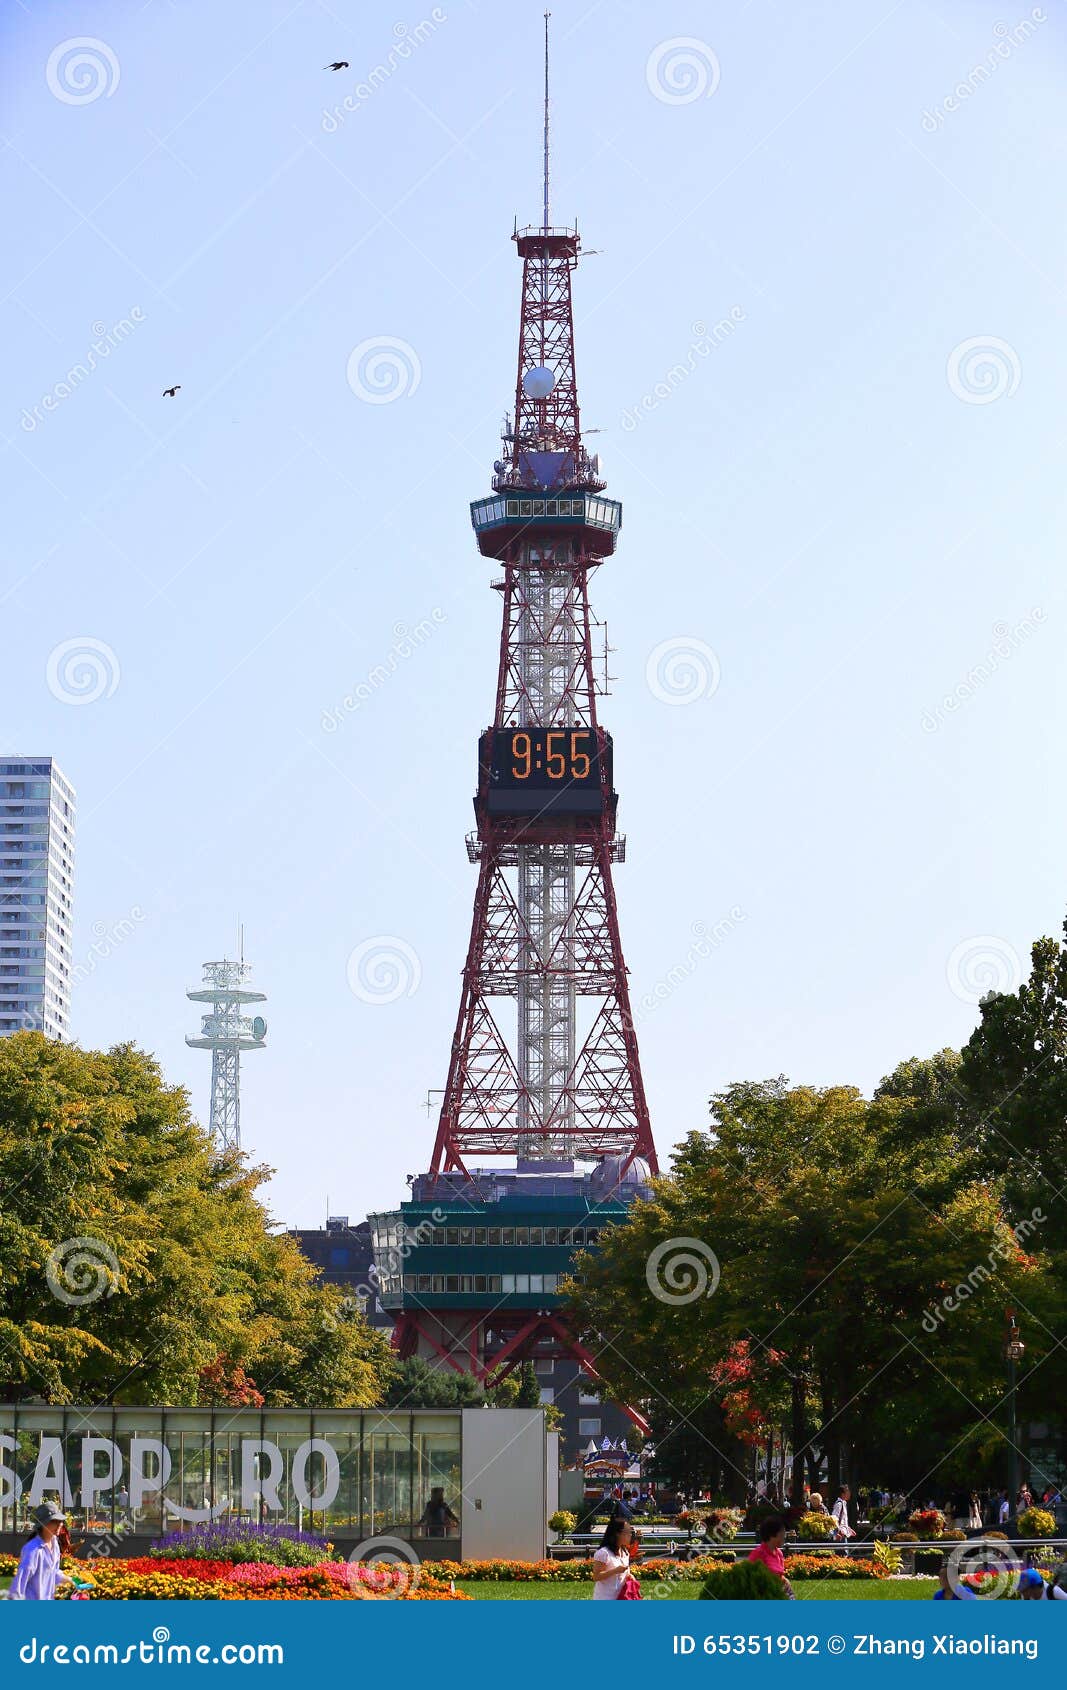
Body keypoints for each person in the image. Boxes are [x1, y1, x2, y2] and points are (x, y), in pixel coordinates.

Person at [8, 1503, 72, 1601]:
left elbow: (53, 1573)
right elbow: (18, 1585)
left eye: (61, 1521)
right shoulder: (32, 1549)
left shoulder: (55, 1544)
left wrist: (72, 1580)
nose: (60, 1524)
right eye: (55, 1521)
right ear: (43, 1524)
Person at [748, 1516, 795, 1597]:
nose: (785, 1536)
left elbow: (780, 1575)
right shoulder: (758, 1553)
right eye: (783, 1532)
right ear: (772, 1534)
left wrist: (785, 1580)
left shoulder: (779, 1553)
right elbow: (749, 1579)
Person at [591, 1517, 636, 1600]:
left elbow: (623, 1575)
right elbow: (596, 1576)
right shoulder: (604, 1553)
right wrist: (615, 1571)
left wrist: (630, 1576)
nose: (630, 1534)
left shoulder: (625, 1552)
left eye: (631, 1532)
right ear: (617, 1534)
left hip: (621, 1597)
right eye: (627, 1532)